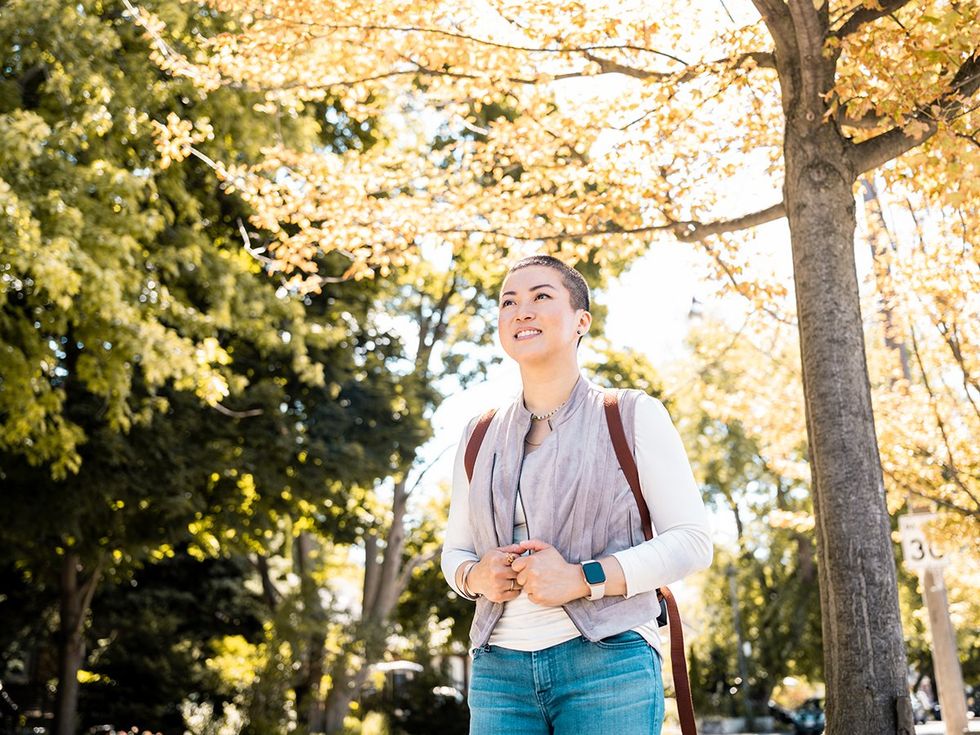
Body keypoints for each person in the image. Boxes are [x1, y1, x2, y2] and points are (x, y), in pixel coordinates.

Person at [440, 254, 713, 734]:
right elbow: (455, 552)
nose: (521, 311)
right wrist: (475, 576)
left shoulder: (631, 414)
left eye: (541, 296)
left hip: (609, 663)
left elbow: (692, 541)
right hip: (497, 675)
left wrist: (583, 578)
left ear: (581, 321)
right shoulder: (477, 434)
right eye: (508, 302)